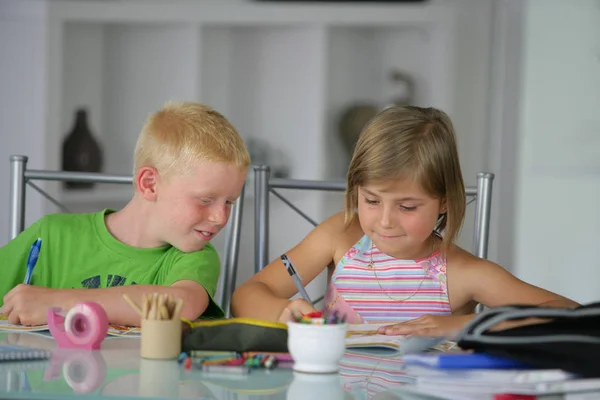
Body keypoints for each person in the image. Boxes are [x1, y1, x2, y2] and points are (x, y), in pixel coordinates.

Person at [231, 105, 579, 337]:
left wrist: (458, 325)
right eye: (370, 200)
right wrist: (283, 311)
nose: (385, 221)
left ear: (443, 202)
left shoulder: (462, 272)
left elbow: (570, 314)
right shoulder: (338, 237)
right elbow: (246, 295)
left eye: (407, 207)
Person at [1, 101, 250, 327]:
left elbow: (177, 305)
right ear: (150, 184)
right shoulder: (51, 236)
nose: (221, 217)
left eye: (229, 201)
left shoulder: (194, 257)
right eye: (206, 200)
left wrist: (57, 303)